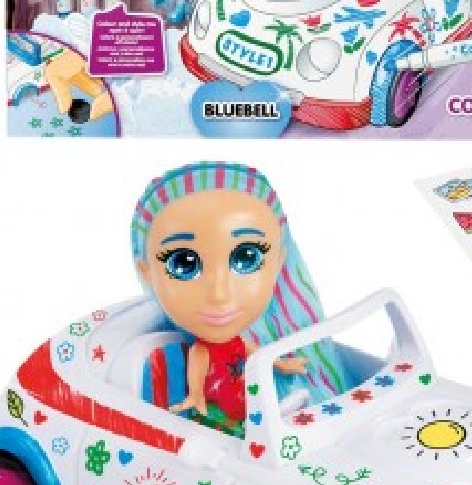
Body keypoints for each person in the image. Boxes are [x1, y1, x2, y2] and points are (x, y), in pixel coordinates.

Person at [130, 162, 347, 434]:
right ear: (147, 272)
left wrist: (283, 364)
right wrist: (195, 396)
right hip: (222, 407)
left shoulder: (242, 342)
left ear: (279, 260)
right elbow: (198, 377)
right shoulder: (200, 351)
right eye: (184, 263)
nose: (219, 294)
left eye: (246, 257)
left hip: (244, 398)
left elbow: (259, 355)